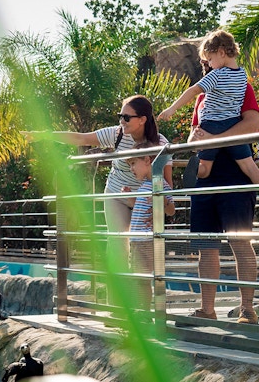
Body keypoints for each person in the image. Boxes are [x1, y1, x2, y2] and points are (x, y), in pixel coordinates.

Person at [23, 95, 173, 306]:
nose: (122, 121)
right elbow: (81, 139)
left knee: (142, 256)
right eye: (120, 116)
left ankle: (143, 309)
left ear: (143, 119)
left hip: (144, 199)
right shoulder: (117, 134)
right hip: (116, 194)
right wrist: (44, 135)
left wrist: (157, 208)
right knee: (117, 244)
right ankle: (117, 307)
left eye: (127, 117)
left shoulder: (161, 143)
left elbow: (167, 186)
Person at [158, 30, 259, 224]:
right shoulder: (242, 76)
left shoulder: (216, 76)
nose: (208, 64)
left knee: (205, 169)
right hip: (233, 124)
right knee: (250, 167)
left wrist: (172, 108)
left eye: (209, 59)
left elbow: (193, 90)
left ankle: (196, 170)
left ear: (221, 52)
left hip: (211, 125)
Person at [121, 141, 176, 311]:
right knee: (137, 278)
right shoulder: (144, 186)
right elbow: (137, 206)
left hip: (145, 240)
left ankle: (143, 311)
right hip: (137, 240)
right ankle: (141, 309)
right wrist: (130, 197)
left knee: (141, 278)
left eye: (133, 163)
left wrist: (161, 200)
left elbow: (171, 210)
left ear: (146, 160)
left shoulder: (160, 185)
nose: (132, 169)